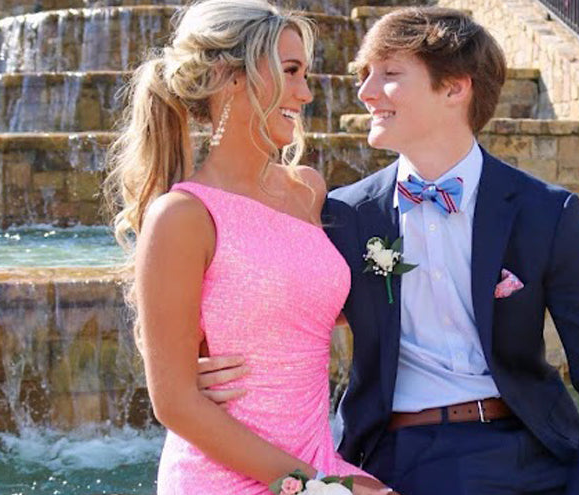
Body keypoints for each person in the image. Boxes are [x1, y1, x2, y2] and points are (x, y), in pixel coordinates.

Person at [199, 7, 579, 495]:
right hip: (393, 458)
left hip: (527, 452)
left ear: (455, 88)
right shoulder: (343, 215)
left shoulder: (544, 212)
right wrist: (196, 365)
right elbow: (269, 300)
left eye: (389, 75)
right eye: (365, 75)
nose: (365, 93)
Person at [104, 0, 395, 493]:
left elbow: (310, 309)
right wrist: (316, 487)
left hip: (315, 457)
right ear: (231, 76)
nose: (305, 93)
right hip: (228, 476)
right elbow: (173, 401)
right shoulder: (182, 217)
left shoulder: (308, 189)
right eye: (291, 71)